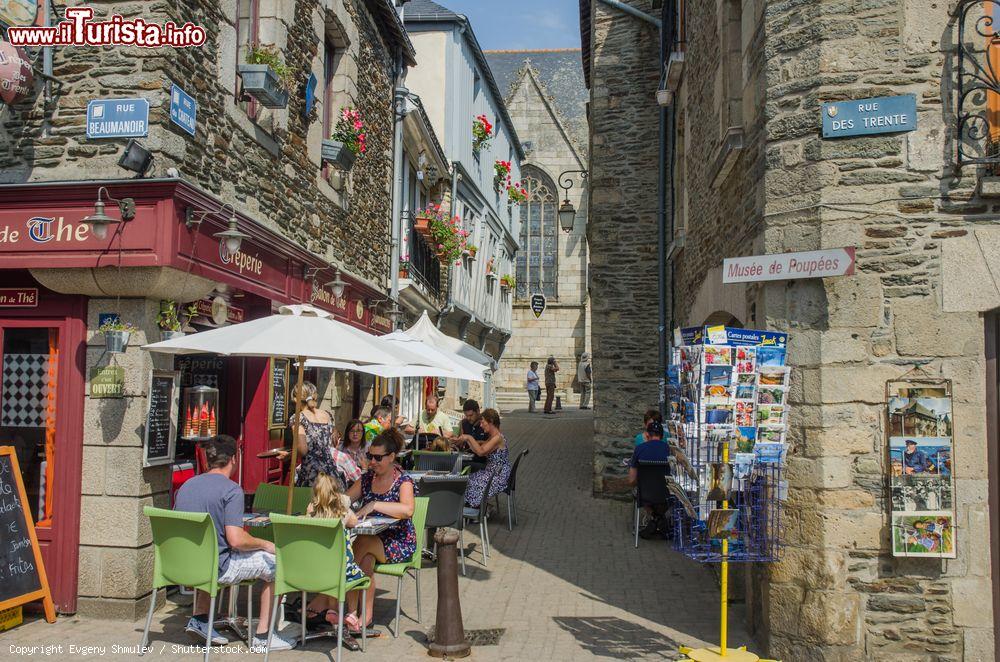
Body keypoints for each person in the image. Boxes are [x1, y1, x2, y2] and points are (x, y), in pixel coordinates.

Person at [174, 436, 296, 651]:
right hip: (215, 568)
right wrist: (266, 544)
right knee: (278, 564)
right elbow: (236, 540)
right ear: (233, 458)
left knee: (210, 551)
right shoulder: (231, 490)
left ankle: (200, 619)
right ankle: (263, 637)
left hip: (182, 566)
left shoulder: (187, 486)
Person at [345, 430, 416, 636]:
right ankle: (362, 617)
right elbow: (345, 499)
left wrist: (375, 504)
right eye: (370, 456)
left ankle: (333, 601)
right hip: (372, 540)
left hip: (398, 542)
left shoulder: (404, 481)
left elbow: (407, 510)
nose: (373, 462)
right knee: (364, 559)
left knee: (361, 545)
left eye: (378, 457)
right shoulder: (366, 479)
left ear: (392, 457)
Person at [297, 473, 365, 648]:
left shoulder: (311, 512)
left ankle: (333, 610)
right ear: (337, 493)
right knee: (356, 574)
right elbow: (354, 521)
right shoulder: (342, 512)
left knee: (332, 576)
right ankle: (352, 612)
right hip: (341, 569)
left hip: (315, 571)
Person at [279, 382, 361, 491]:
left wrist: (289, 455)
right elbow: (334, 441)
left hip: (312, 474)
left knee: (310, 506)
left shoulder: (298, 418)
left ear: (295, 399)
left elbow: (303, 450)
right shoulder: (327, 415)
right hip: (331, 473)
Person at [628, 420, 672, 540]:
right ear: (662, 436)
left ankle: (654, 517)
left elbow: (631, 480)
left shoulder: (639, 449)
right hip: (667, 494)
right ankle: (660, 518)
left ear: (647, 434)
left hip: (645, 494)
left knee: (638, 492)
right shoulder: (670, 450)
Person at [463, 408, 511, 507]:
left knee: (469, 482)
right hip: (493, 473)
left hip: (498, 477)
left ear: (491, 422)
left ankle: (476, 510)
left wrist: (469, 437)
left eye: (483, 422)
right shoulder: (493, 437)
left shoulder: (497, 438)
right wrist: (468, 441)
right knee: (467, 479)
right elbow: (481, 448)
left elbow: (481, 452)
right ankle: (475, 507)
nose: (481, 425)